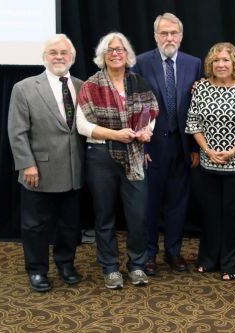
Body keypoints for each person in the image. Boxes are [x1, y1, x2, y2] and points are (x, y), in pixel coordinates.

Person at [76, 32, 158, 289]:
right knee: (104, 216)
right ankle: (110, 268)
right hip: (100, 155)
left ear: (127, 54)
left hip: (134, 154)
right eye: (110, 49)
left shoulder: (139, 83)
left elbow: (150, 114)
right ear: (102, 55)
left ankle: (136, 265)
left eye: (120, 49)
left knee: (138, 216)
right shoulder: (91, 85)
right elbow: (83, 126)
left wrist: (147, 131)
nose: (115, 53)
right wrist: (116, 135)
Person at [7, 34, 84, 292]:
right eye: (53, 52)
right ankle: (37, 270)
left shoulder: (82, 86)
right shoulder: (25, 88)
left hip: (74, 170)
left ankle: (65, 264)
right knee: (36, 225)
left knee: (70, 224)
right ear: (44, 57)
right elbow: (17, 132)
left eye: (64, 53)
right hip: (38, 170)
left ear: (72, 58)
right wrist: (27, 164)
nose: (59, 57)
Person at [185, 42, 235, 280]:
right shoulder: (201, 88)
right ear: (210, 64)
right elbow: (193, 123)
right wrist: (207, 150)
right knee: (210, 213)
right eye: (216, 60)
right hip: (209, 162)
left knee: (234, 214)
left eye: (226, 60)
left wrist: (231, 151)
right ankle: (208, 259)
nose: (221, 64)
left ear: (234, 63)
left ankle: (233, 263)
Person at [132, 13, 202, 274]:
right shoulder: (140, 63)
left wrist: (195, 147)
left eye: (174, 33)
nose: (169, 38)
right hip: (152, 147)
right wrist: (143, 147)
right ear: (155, 36)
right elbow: (134, 106)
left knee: (178, 203)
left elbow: (198, 109)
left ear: (181, 36)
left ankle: (173, 252)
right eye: (164, 33)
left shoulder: (194, 64)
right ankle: (149, 254)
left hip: (183, 146)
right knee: (150, 204)